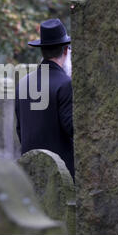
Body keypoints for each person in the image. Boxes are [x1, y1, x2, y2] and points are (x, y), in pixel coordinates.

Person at [15, 18, 74, 180]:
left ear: (42, 51)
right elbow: (73, 129)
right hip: (62, 177)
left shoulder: (23, 83)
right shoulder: (65, 84)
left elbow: (20, 130)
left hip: (30, 172)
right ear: (65, 51)